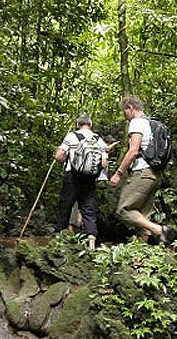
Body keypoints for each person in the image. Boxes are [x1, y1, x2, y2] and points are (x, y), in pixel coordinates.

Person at [109, 95, 171, 243]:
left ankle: (159, 230)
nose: (125, 117)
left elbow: (133, 151)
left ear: (130, 108)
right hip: (155, 174)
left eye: (124, 112)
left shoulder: (136, 123)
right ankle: (142, 256)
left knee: (124, 210)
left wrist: (118, 173)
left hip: (142, 172)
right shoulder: (152, 123)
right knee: (143, 215)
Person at [55, 113, 109, 250]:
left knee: (65, 207)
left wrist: (63, 159)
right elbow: (104, 163)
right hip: (90, 179)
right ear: (90, 124)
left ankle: (59, 240)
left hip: (72, 177)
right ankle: (91, 242)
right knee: (88, 209)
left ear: (78, 124)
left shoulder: (72, 136)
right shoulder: (98, 139)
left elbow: (59, 156)